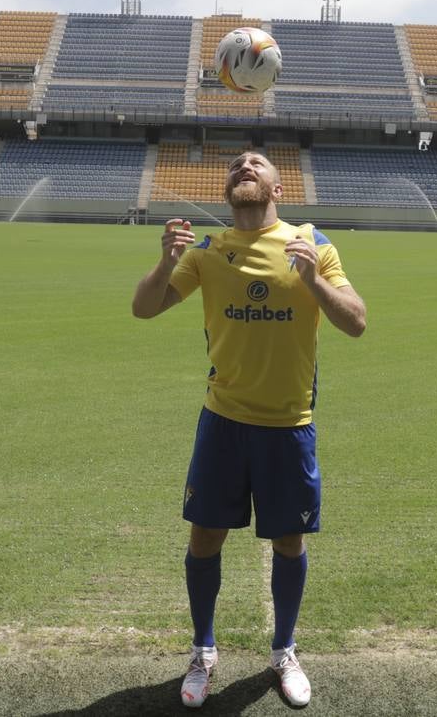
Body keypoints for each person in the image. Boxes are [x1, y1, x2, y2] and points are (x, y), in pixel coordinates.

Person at [132, 150, 366, 709]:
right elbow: (144, 308)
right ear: (227, 189)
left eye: (257, 163)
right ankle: (203, 651)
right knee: (204, 537)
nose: (245, 166)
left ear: (278, 187)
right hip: (223, 423)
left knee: (289, 540)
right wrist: (165, 263)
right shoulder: (208, 252)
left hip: (288, 426)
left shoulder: (312, 242)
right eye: (236, 163)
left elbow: (355, 321)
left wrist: (312, 279)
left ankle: (284, 650)